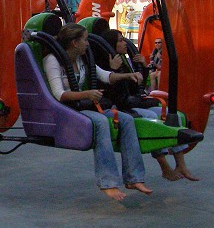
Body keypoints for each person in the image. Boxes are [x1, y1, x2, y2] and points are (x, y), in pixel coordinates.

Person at [44, 23, 152, 201]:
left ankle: (134, 178)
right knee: (101, 123)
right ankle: (107, 182)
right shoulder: (53, 60)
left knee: (125, 120)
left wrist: (126, 75)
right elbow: (59, 94)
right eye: (85, 40)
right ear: (74, 43)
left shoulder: (83, 58)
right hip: (64, 109)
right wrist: (86, 94)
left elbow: (105, 76)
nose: (88, 44)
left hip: (82, 105)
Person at [100, 29, 199, 182]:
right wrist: (113, 70)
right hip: (120, 105)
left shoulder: (126, 60)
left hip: (134, 101)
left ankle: (181, 164)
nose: (124, 43)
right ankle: (164, 166)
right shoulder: (106, 63)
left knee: (174, 115)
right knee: (152, 117)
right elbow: (113, 92)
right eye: (120, 40)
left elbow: (136, 87)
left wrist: (143, 66)